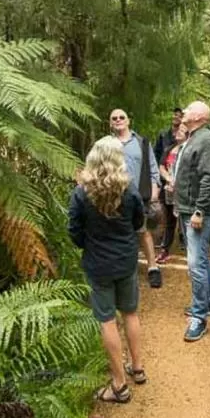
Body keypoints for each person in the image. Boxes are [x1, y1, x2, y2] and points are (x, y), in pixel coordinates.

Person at [68, 137, 147, 404]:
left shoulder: (82, 192)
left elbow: (74, 231)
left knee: (107, 320)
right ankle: (137, 368)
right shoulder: (129, 189)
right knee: (130, 313)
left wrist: (90, 245)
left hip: (98, 264)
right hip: (125, 261)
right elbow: (138, 221)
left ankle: (119, 385)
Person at [173, 101, 210, 342]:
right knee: (200, 259)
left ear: (200, 116)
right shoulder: (193, 138)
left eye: (189, 109)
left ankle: (199, 317)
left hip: (197, 211)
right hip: (186, 209)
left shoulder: (207, 141)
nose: (185, 112)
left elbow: (208, 179)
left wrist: (200, 211)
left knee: (195, 264)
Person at [109, 109, 164, 289]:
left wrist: (155, 192)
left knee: (143, 231)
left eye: (121, 117)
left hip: (139, 195)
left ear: (128, 121)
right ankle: (123, 270)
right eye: (114, 118)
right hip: (114, 196)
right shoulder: (106, 144)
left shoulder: (141, 142)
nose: (118, 120)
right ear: (110, 123)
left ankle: (152, 268)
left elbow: (153, 168)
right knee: (118, 232)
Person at [156, 124, 187, 264]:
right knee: (169, 221)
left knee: (185, 221)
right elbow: (161, 166)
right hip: (168, 189)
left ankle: (190, 250)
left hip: (184, 191)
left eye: (181, 130)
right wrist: (169, 179)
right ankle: (165, 250)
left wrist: (177, 182)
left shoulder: (188, 149)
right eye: (178, 130)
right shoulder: (170, 148)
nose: (177, 132)